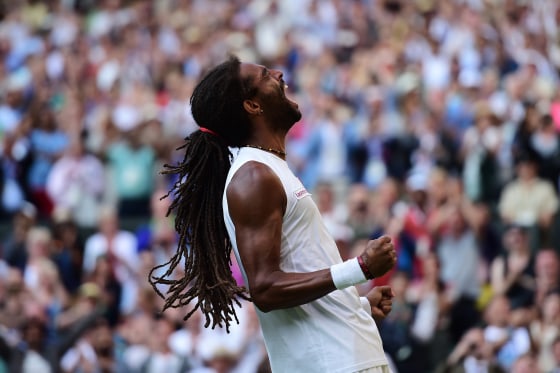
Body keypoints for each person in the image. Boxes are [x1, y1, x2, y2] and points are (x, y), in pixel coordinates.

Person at [149, 56, 397, 372]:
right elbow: (265, 288)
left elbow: (296, 272)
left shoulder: (268, 169)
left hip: (343, 355)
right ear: (253, 106)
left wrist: (356, 305)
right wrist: (359, 268)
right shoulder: (254, 176)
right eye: (266, 75)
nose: (279, 74)